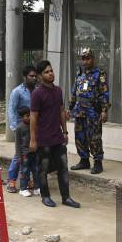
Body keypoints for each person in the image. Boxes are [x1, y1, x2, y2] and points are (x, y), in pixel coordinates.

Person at [29, 60, 80, 208]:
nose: (50, 73)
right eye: (46, 72)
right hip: (43, 139)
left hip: (58, 137)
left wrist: (65, 131)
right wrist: (33, 139)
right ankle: (45, 196)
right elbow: (33, 117)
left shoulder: (58, 90)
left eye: (51, 71)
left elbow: (61, 111)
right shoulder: (37, 94)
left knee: (63, 168)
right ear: (39, 76)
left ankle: (66, 197)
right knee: (43, 169)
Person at [69, 48, 110, 175]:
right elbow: (74, 91)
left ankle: (98, 163)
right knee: (80, 136)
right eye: (84, 58)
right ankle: (84, 160)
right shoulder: (79, 73)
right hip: (79, 111)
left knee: (94, 138)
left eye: (88, 58)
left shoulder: (99, 74)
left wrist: (104, 110)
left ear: (93, 58)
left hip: (93, 111)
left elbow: (104, 93)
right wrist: (70, 107)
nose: (86, 61)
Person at [6, 65, 38, 192]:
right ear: (25, 77)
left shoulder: (37, 90)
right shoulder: (17, 91)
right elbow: (11, 109)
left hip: (33, 128)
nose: (34, 78)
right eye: (31, 76)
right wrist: (15, 127)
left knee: (30, 155)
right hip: (22, 128)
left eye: (35, 76)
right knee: (18, 155)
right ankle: (11, 181)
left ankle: (27, 180)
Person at [15, 106, 39, 197]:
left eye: (30, 115)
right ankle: (23, 188)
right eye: (27, 115)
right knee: (25, 171)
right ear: (22, 117)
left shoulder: (34, 125)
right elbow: (17, 143)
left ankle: (37, 188)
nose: (29, 117)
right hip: (25, 154)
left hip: (35, 152)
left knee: (36, 170)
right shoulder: (19, 128)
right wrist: (18, 156)